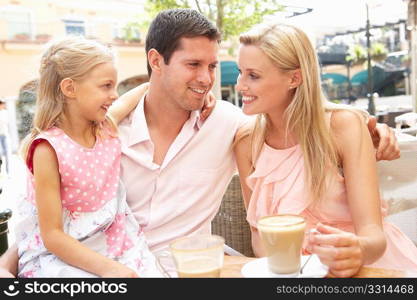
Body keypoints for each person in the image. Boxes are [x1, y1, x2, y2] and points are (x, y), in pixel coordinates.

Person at [0, 8, 400, 277]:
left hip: (195, 270)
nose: (208, 79)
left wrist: (370, 127)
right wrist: (9, 263)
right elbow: (54, 211)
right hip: (107, 268)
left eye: (211, 66)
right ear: (156, 62)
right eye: (193, 65)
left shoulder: (227, 124)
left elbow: (302, 125)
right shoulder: (102, 132)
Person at [233, 21, 417, 277]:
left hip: (369, 270)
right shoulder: (246, 142)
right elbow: (259, 236)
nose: (240, 85)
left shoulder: (343, 126)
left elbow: (374, 237)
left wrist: (356, 250)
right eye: (240, 72)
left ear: (294, 78)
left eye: (253, 75)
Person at [14, 37, 161, 277]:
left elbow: (127, 99)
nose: (114, 94)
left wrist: (160, 86)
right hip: (65, 253)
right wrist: (110, 270)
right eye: (106, 86)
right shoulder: (48, 149)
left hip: (116, 243)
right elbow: (51, 235)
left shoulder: (105, 127)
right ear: (70, 88)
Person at [0, 100, 9, 174]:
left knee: (7, 154)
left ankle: (8, 172)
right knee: (0, 153)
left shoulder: (5, 113)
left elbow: (6, 122)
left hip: (5, 135)